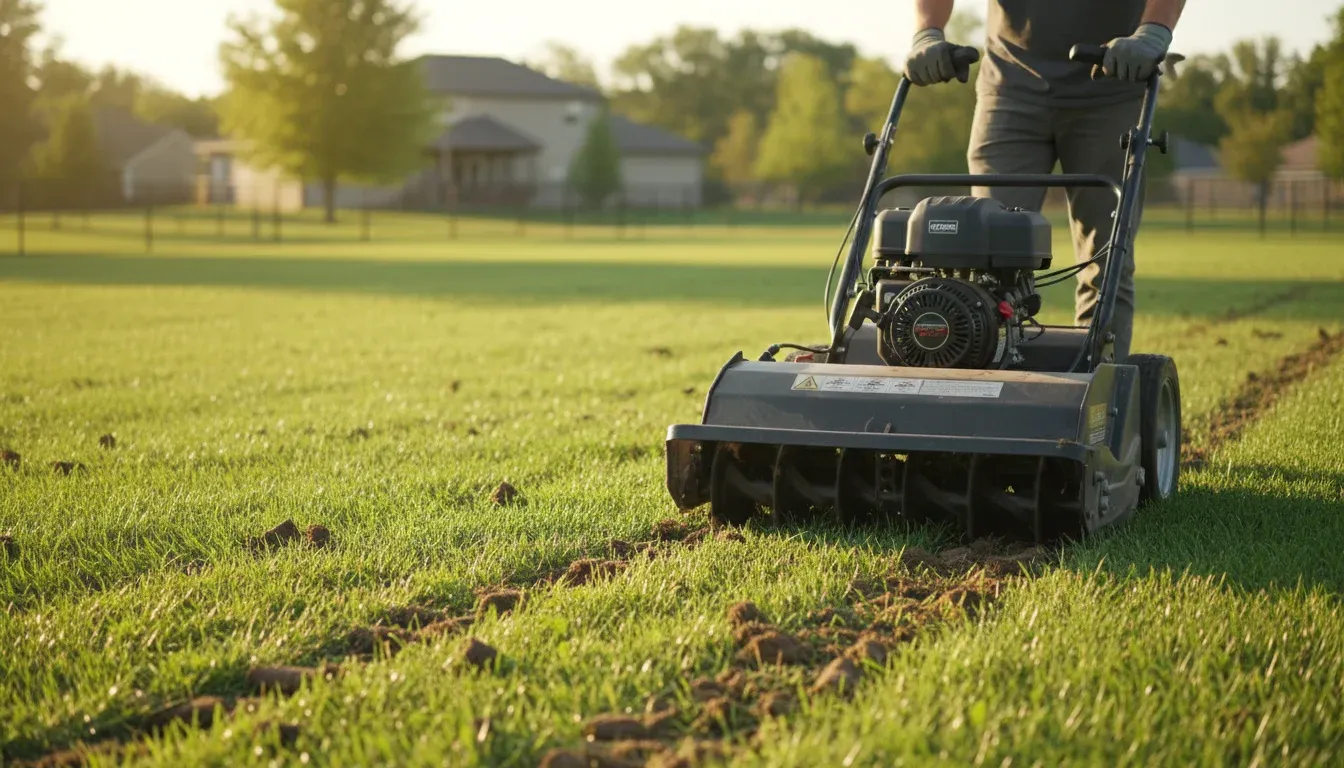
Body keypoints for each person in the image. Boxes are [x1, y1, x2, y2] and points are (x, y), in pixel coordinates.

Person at [904, 0, 1187, 363]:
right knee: (985, 249)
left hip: (1114, 82)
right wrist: (928, 31)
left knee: (1107, 256)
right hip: (1010, 86)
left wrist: (1154, 31)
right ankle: (986, 384)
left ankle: (1096, 389)